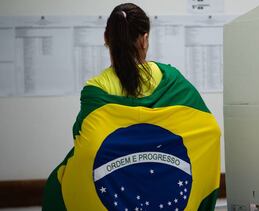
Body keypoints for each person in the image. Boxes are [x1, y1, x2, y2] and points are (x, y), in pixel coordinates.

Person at [42, 3, 221, 211]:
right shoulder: (170, 79)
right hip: (165, 195)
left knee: (57, 185)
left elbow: (83, 141)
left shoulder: (96, 89)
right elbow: (210, 130)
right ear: (145, 39)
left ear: (106, 39)